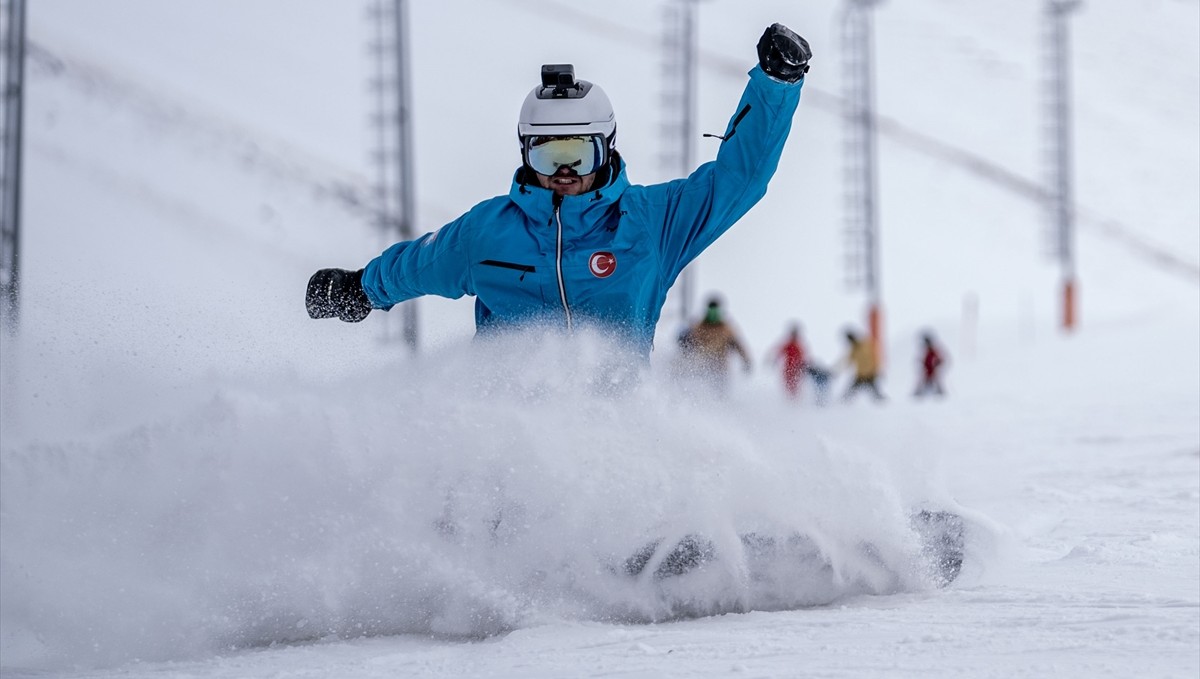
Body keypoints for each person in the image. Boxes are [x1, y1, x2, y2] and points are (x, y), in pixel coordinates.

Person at [305, 25, 811, 362]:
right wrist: (360, 289)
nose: (564, 172)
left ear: (606, 148)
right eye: (548, 155)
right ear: (526, 153)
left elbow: (738, 181)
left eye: (580, 154)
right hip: (506, 440)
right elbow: (421, 262)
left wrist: (775, 85)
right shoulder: (489, 231)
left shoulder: (653, 223)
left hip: (617, 442)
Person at [678, 298, 752, 395]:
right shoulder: (698, 327)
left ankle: (721, 405)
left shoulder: (726, 329)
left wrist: (746, 360)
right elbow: (686, 343)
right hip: (701, 367)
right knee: (701, 393)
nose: (713, 314)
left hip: (720, 369)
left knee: (719, 394)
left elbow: (738, 345)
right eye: (711, 310)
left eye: (715, 310)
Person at [840, 329, 885, 402]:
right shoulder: (853, 349)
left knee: (876, 393)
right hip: (860, 375)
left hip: (870, 374)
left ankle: (883, 404)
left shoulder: (865, 344)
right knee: (851, 391)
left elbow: (875, 357)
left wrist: (877, 369)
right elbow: (848, 361)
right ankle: (843, 402)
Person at [770, 322, 807, 400]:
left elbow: (803, 357)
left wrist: (804, 367)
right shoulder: (788, 344)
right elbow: (779, 352)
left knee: (795, 387)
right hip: (788, 369)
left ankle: (794, 401)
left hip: (797, 370)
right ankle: (790, 401)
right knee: (789, 387)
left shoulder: (799, 345)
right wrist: (774, 361)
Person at [913, 331, 947, 398]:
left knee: (934, 381)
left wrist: (936, 363)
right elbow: (926, 360)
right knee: (926, 381)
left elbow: (940, 359)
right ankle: (918, 393)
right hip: (927, 370)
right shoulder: (927, 350)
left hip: (932, 370)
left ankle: (940, 393)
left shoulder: (933, 350)